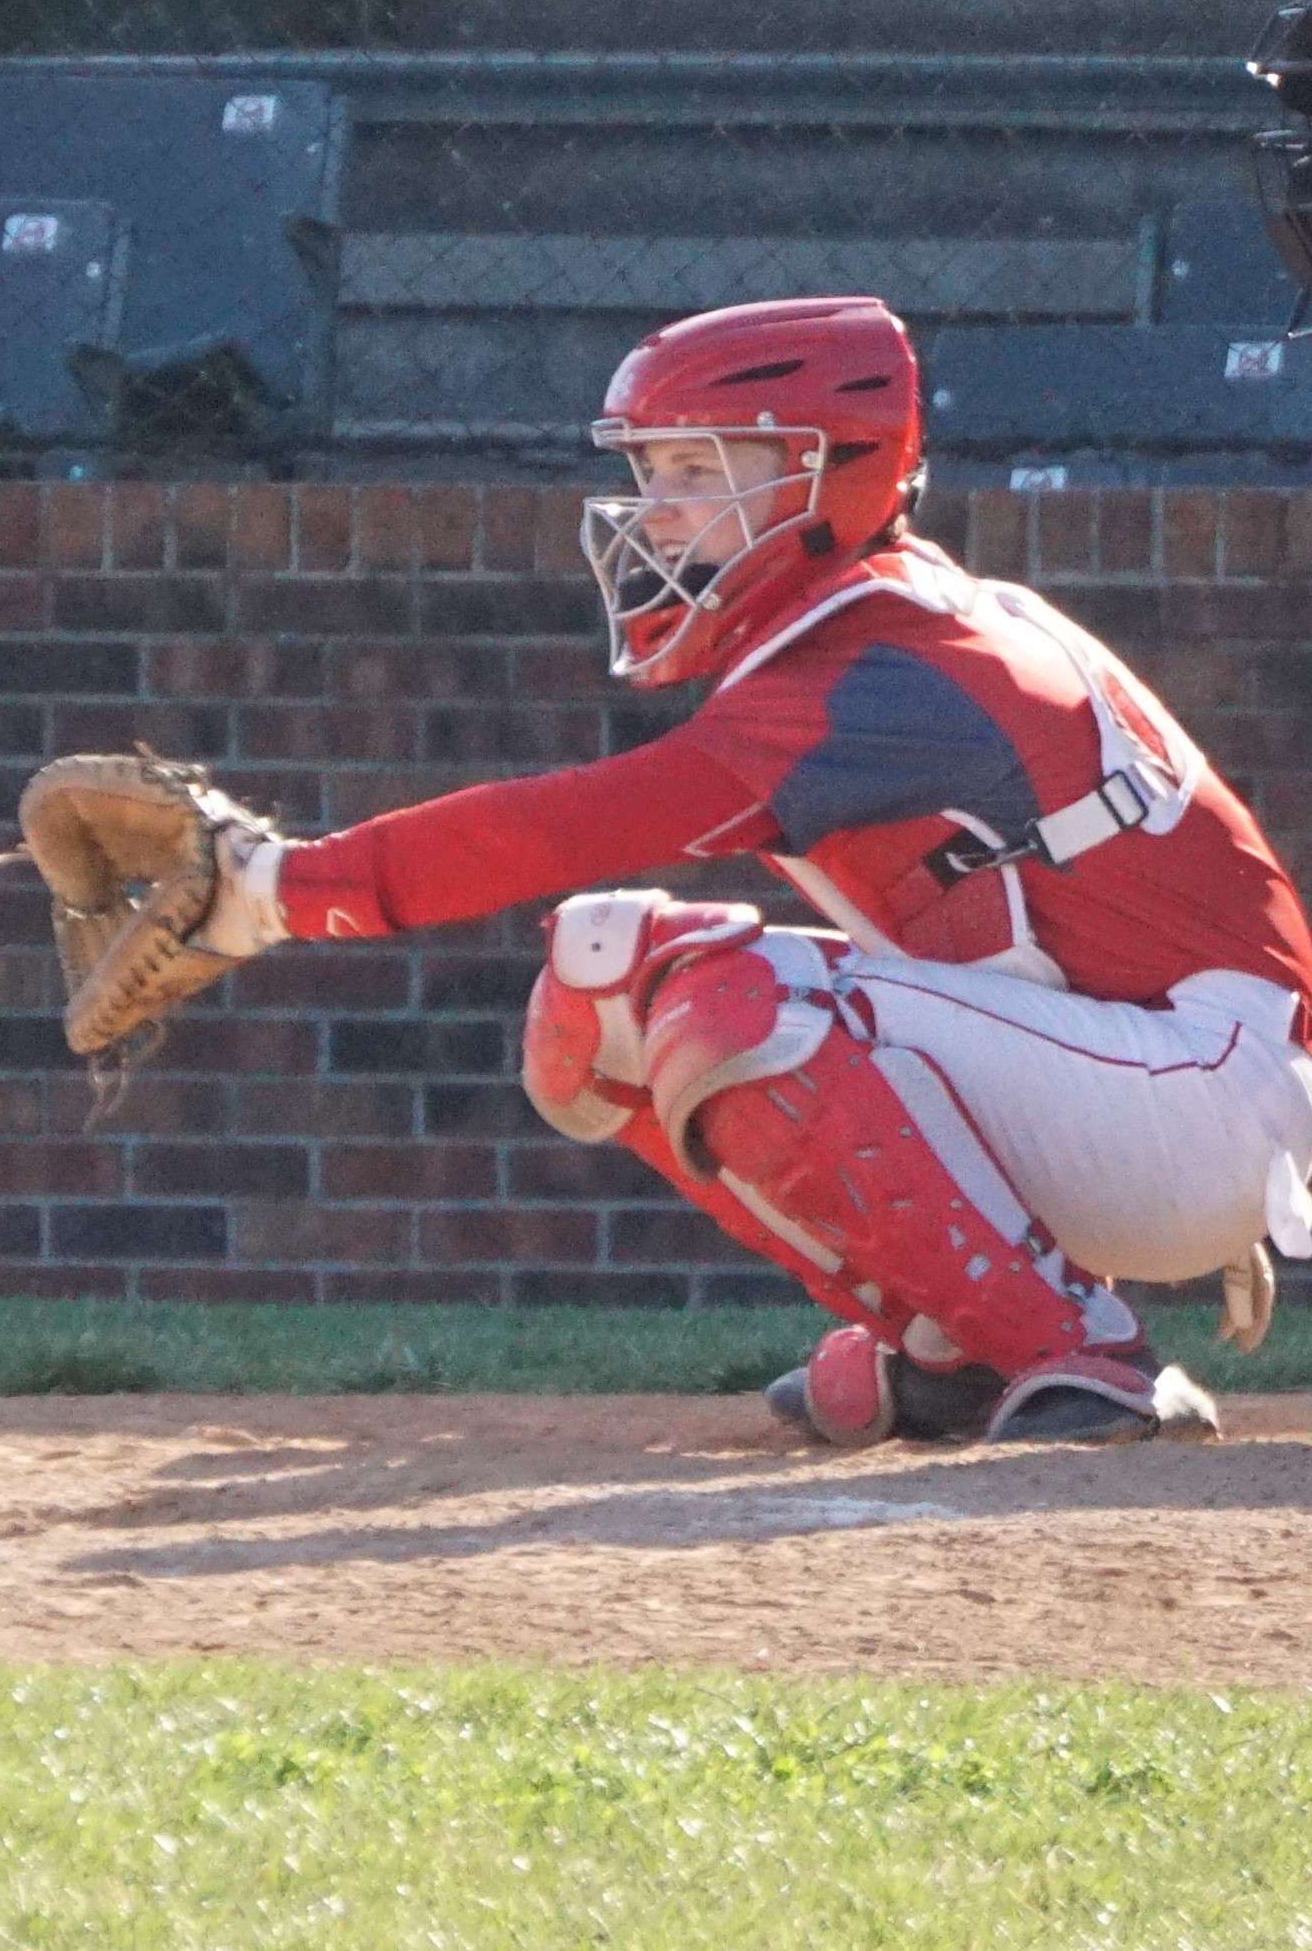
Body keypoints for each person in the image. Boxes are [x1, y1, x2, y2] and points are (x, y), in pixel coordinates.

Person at [92, 294, 1312, 1448]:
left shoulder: (888, 662)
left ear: (834, 472)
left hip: (1209, 1082)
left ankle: (1081, 1352)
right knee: (600, 987)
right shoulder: (875, 620)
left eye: (699, 470)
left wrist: (277, 887)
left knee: (744, 1000)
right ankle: (964, 1344)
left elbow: (566, 825)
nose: (656, 510)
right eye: (650, 472)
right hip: (1164, 1075)